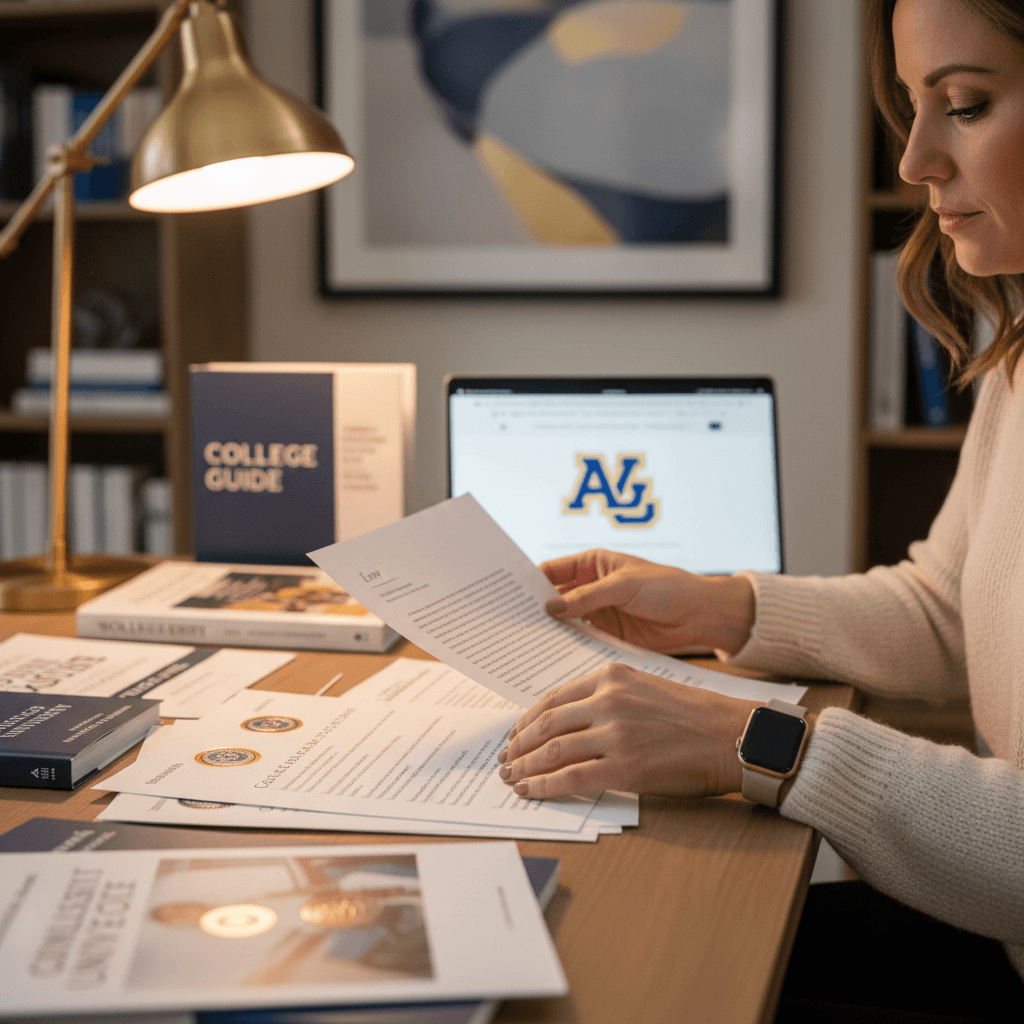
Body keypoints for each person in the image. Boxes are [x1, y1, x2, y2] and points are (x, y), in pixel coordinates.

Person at [497, 0, 1024, 1019]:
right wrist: (722, 607)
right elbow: (945, 609)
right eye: (912, 106)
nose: (914, 159)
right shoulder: (1017, 358)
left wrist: (757, 743)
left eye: (964, 104)